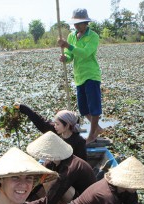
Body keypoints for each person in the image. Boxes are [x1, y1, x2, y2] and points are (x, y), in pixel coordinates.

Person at [58, 8, 103, 144]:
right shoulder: (72, 36)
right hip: (79, 76)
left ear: (86, 23)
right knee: (83, 109)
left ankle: (92, 135)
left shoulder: (93, 36)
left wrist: (68, 46)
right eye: (75, 23)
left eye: (79, 23)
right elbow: (71, 55)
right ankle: (98, 128)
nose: (76, 26)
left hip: (91, 75)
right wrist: (65, 57)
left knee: (94, 108)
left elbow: (85, 53)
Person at [27, 131, 97, 204]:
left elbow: (53, 196)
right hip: (67, 190)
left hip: (84, 203)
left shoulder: (70, 167)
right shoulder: (51, 162)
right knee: (43, 178)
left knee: (50, 180)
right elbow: (37, 182)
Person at [18, 103, 87, 161]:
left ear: (67, 125)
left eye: (57, 124)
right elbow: (40, 121)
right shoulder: (55, 133)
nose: (55, 126)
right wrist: (23, 108)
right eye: (55, 123)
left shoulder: (79, 142)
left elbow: (81, 164)